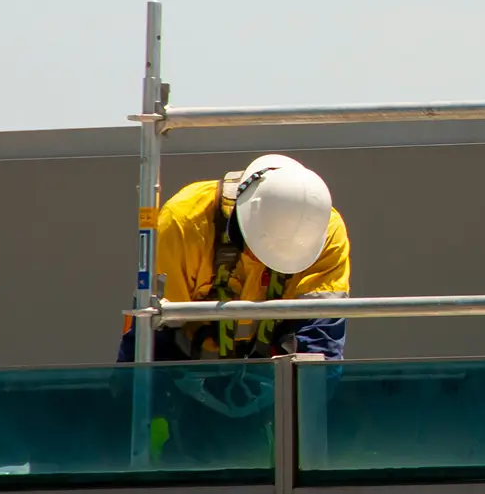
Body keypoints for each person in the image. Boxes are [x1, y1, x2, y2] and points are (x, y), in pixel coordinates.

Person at [118, 153, 350, 364]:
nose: (257, 260)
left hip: (275, 386)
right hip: (188, 378)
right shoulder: (185, 222)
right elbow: (155, 336)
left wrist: (302, 402)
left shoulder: (324, 232)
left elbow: (320, 343)